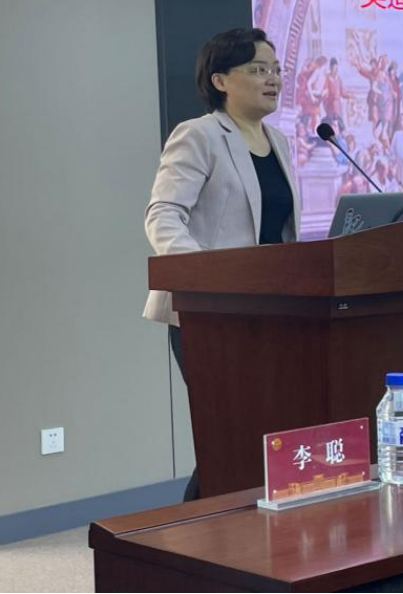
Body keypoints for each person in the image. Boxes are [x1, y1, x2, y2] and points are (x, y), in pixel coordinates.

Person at [143, 28, 300, 501]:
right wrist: (207, 278)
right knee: (230, 433)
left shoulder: (279, 142)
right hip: (210, 313)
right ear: (220, 80)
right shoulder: (200, 136)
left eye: (276, 69)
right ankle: (192, 530)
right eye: (258, 69)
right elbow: (163, 215)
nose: (272, 79)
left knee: (266, 429)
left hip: (274, 310)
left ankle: (233, 528)